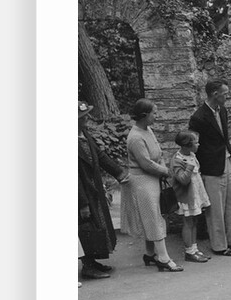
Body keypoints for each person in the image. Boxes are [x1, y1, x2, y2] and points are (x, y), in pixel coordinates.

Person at [119, 99, 183, 272]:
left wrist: (162, 166)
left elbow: (158, 153)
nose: (157, 116)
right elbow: (146, 163)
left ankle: (150, 254)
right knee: (153, 217)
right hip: (142, 181)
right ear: (144, 115)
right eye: (154, 113)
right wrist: (166, 171)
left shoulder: (148, 130)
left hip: (152, 178)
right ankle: (163, 257)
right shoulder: (136, 137)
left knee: (152, 215)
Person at [189, 80, 231, 256]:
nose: (227, 96)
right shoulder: (198, 117)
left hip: (227, 160)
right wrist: (199, 167)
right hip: (211, 166)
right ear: (215, 94)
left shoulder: (222, 110)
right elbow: (194, 144)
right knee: (215, 207)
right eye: (225, 93)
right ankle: (219, 246)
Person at [78, 101, 129, 280]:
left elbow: (100, 155)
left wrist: (119, 173)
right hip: (82, 191)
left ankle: (93, 261)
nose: (85, 120)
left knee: (98, 224)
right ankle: (88, 266)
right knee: (86, 226)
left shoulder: (84, 134)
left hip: (94, 187)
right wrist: (82, 203)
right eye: (82, 118)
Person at [169, 130, 211, 263]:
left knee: (194, 221)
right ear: (187, 145)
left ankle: (194, 248)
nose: (198, 145)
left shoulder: (191, 154)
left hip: (195, 194)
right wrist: (189, 168)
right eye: (196, 143)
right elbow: (183, 180)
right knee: (188, 223)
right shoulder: (178, 160)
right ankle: (189, 251)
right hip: (186, 197)